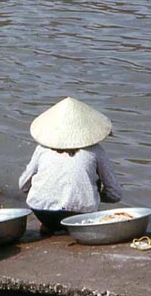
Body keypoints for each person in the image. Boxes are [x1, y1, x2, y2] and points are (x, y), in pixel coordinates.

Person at [18, 97, 122, 235]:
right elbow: (115, 193)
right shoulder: (95, 151)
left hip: (41, 211)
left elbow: (23, 184)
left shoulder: (42, 149)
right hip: (80, 213)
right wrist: (94, 194)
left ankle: (48, 226)